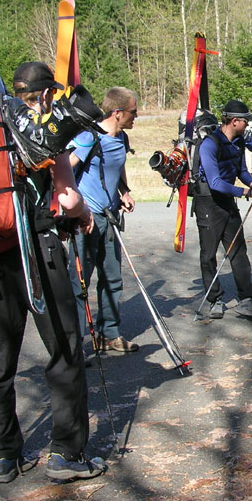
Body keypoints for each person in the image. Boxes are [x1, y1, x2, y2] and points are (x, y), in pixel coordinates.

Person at [0, 61, 104, 484]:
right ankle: (67, 453)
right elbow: (67, 198)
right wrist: (85, 215)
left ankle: (5, 455)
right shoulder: (43, 129)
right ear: (48, 94)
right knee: (64, 348)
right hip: (39, 250)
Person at [67, 87, 139, 354]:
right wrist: (76, 209)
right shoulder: (89, 137)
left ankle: (109, 334)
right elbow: (66, 170)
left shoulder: (121, 139)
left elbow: (117, 168)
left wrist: (125, 192)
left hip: (110, 217)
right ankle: (77, 343)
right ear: (117, 113)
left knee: (112, 278)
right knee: (80, 281)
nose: (136, 116)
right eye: (133, 111)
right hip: (86, 219)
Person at [194, 99, 252, 320]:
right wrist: (245, 193)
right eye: (246, 121)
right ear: (234, 121)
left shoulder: (238, 142)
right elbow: (215, 182)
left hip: (227, 202)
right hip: (208, 203)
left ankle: (246, 299)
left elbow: (241, 171)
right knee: (208, 255)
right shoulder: (209, 144)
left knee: (238, 251)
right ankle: (215, 300)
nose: (248, 125)